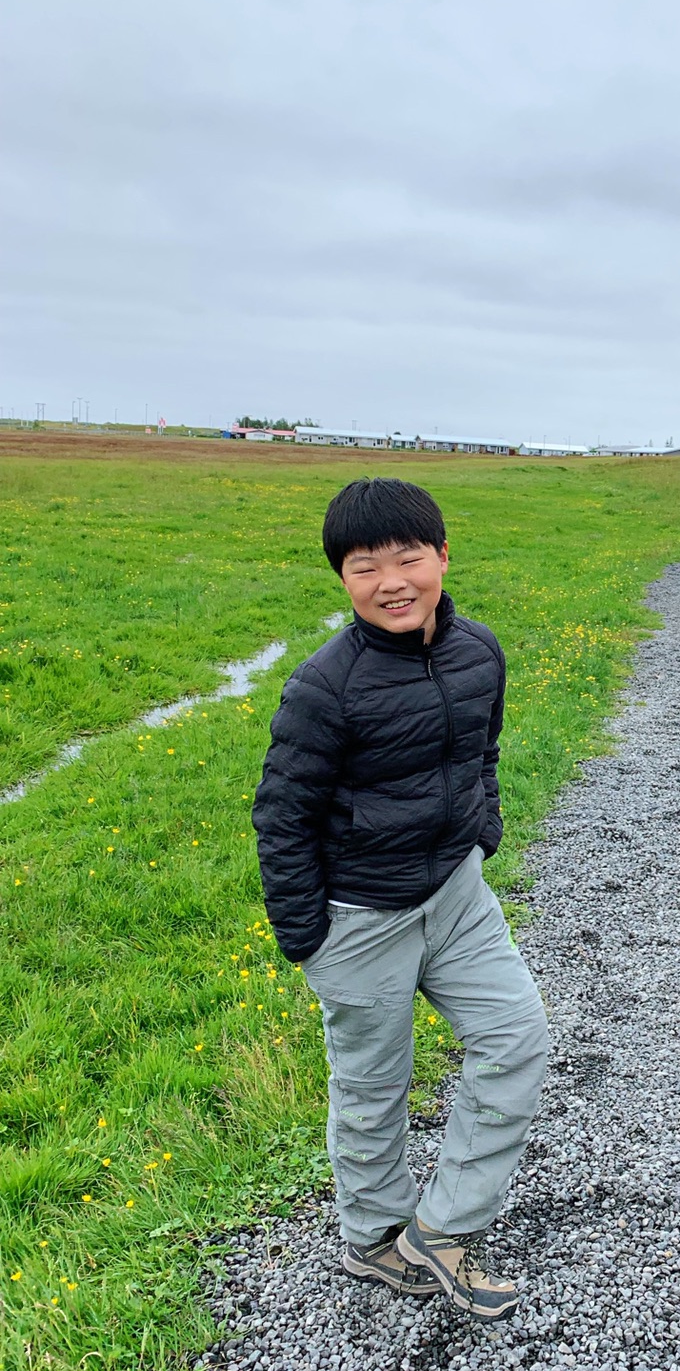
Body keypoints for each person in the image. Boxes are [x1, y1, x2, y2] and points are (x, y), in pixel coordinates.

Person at [253, 477, 548, 1319]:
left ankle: (443, 1229)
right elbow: (282, 815)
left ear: (443, 557)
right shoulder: (325, 687)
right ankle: (373, 1238)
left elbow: (481, 749)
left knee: (518, 1038)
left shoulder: (478, 652)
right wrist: (309, 939)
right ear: (342, 580)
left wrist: (481, 830)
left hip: (455, 895)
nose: (392, 581)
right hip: (358, 917)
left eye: (409, 558)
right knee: (373, 1088)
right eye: (364, 566)